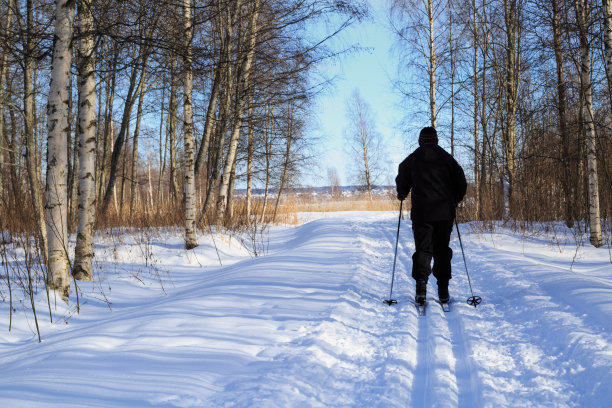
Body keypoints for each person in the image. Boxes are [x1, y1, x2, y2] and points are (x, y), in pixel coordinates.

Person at [395, 127, 467, 305]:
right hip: (444, 213)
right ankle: (443, 290)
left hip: (422, 213)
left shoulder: (413, 158)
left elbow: (402, 176)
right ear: (436, 140)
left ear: (420, 140)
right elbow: (461, 182)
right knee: (442, 249)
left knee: (423, 249)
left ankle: (421, 288)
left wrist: (402, 193)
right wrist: (453, 200)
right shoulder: (446, 158)